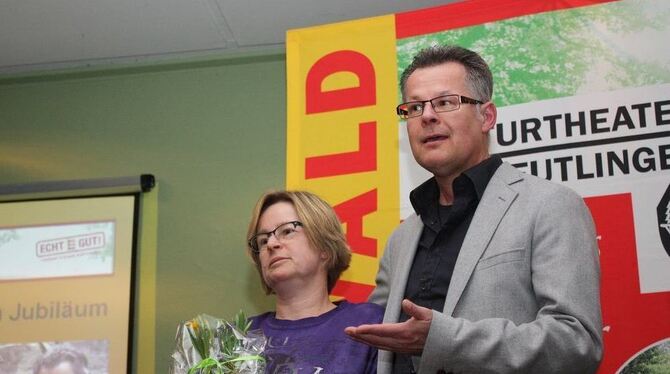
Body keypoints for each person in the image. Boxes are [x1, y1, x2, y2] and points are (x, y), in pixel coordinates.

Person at [345, 45, 603, 373]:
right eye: (413, 107)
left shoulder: (549, 205)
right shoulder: (402, 237)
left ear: (487, 116)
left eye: (445, 102)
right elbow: (373, 339)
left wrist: (442, 339)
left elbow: (576, 342)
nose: (426, 116)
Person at [246, 190, 383, 373]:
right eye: (263, 241)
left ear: (324, 247)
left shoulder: (369, 324)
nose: (271, 244)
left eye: (287, 231)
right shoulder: (240, 334)